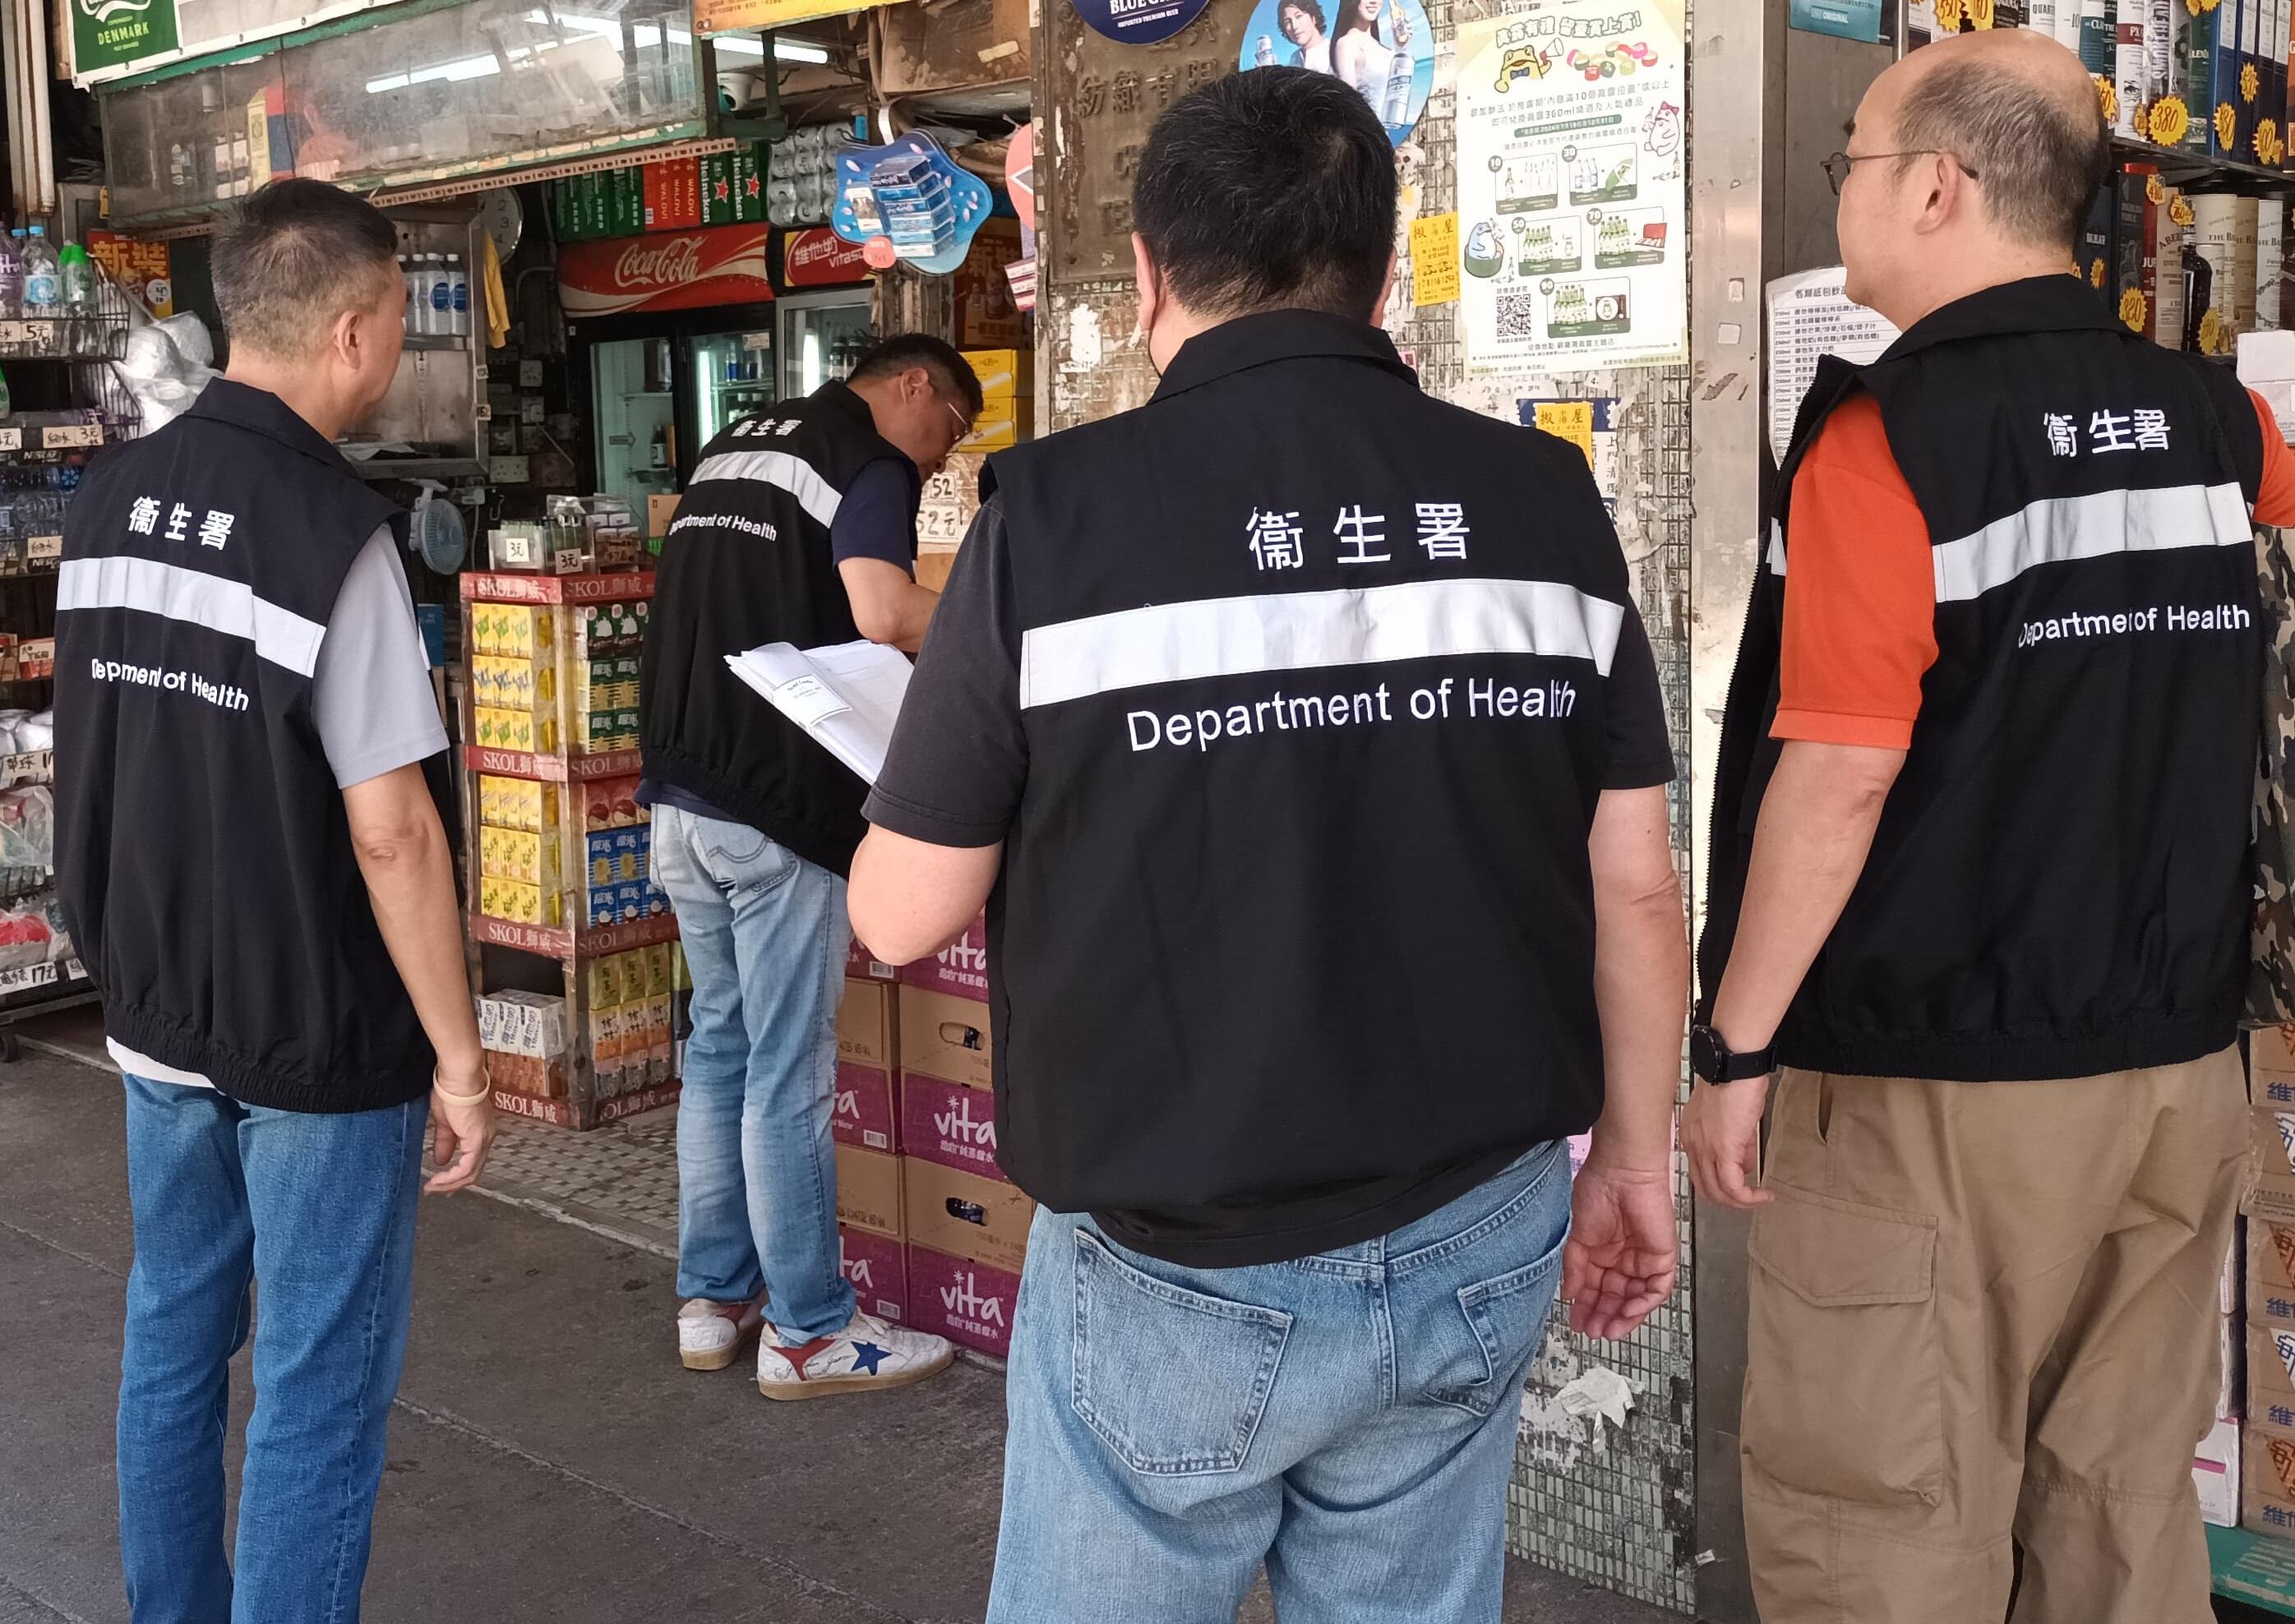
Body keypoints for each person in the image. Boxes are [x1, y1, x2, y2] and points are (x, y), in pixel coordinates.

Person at [847, 67, 1687, 1622]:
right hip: (1478, 1222)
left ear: (1151, 273)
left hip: (1179, 1262)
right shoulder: (1540, 499)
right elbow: (1631, 877)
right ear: (1381, 269)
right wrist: (1634, 1161)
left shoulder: (1053, 517)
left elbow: (900, 913)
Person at [1685, 29, 2295, 1624]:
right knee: (2113, 1503)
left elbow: (1837, 775)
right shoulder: (2224, 428)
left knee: (1887, 1513)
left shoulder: (1892, 439)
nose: (1844, 203)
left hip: (1931, 1091)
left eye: (1854, 170)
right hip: (2173, 1072)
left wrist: (1734, 1047)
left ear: (1939, 188)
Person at [53, 178, 495, 1622]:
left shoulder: (110, 496)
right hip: (311, 1023)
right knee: (315, 1382)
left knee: (173, 1332)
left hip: (155, 1000)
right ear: (359, 329)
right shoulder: (330, 529)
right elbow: (393, 834)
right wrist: (462, 1057)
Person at [639, 334, 979, 1394]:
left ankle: (711, 1299)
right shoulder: (861, 456)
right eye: (947, 436)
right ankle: (808, 1328)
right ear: (912, 385)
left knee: (723, 1050)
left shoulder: (734, 442)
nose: (937, 465)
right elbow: (881, 608)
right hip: (776, 806)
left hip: (679, 799)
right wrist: (991, 625)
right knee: (786, 1072)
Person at [1330, 0, 1401, 104]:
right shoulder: (1347, 44)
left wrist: (1400, 47)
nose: (1373, 1)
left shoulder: (1380, 45)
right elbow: (1350, 103)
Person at [1278, 0, 1333, 74]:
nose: (1294, 26)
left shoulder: (1335, 50)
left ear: (1313, 18)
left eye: (1298, 16)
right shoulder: (1294, 59)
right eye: (1287, 22)